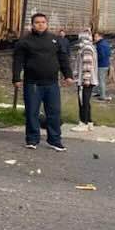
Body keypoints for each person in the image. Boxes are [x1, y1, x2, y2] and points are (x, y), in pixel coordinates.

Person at [12, 12, 73, 151]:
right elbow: (18, 61)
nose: (41, 24)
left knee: (54, 112)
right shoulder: (25, 41)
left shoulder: (55, 40)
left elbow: (63, 59)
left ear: (47, 24)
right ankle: (32, 139)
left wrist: (67, 75)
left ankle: (55, 140)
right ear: (32, 25)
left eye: (43, 22)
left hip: (51, 84)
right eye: (37, 22)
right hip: (33, 84)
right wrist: (16, 77)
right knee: (32, 112)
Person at [69, 30, 99, 132]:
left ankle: (83, 123)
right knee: (86, 101)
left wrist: (86, 79)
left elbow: (87, 64)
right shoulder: (90, 47)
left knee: (83, 102)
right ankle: (89, 122)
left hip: (85, 80)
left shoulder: (85, 48)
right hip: (89, 79)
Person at [94, 32, 112, 99]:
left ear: (100, 37)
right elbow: (109, 53)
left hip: (101, 65)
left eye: (96, 37)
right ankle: (100, 93)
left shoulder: (100, 44)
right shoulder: (106, 43)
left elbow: (101, 55)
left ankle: (103, 96)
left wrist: (94, 59)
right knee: (101, 80)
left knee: (101, 80)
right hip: (106, 64)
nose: (94, 38)